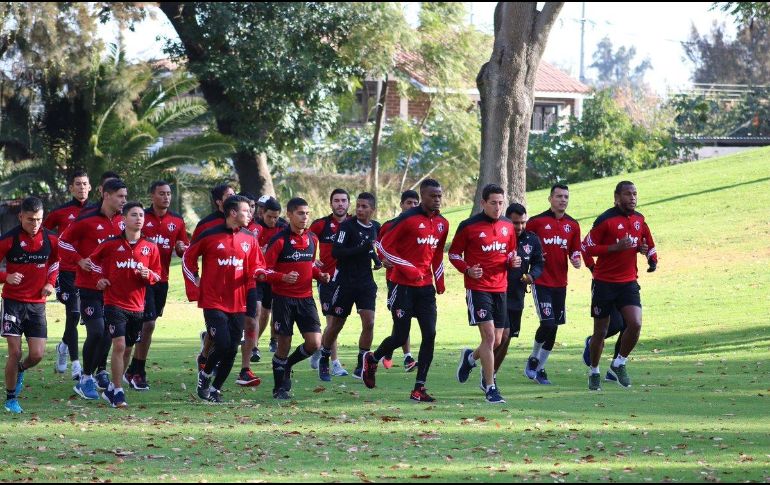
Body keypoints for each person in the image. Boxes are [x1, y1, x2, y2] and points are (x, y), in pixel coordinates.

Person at [363, 179, 449, 402]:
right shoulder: (407, 219)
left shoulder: (442, 223)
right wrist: (408, 268)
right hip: (402, 286)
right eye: (433, 195)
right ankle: (373, 358)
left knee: (430, 334)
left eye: (439, 195)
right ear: (423, 196)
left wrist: (439, 280)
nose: (437, 199)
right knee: (400, 335)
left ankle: (419, 388)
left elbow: (437, 254)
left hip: (425, 288)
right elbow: (383, 248)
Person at [183, 195, 265, 403]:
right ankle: (205, 374)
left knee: (232, 347)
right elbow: (188, 259)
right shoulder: (209, 235)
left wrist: (260, 272)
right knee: (222, 342)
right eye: (246, 210)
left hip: (238, 301)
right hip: (213, 301)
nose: (250, 214)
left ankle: (216, 389)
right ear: (233, 213)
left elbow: (257, 264)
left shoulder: (249, 238)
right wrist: (197, 283)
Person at [582, 181, 657, 391]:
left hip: (628, 282)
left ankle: (618, 362)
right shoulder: (605, 220)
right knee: (601, 332)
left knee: (635, 323)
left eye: (635, 193)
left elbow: (648, 242)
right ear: (616, 197)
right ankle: (594, 370)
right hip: (604, 283)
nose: (632, 197)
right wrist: (614, 247)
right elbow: (586, 247)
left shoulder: (639, 219)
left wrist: (651, 258)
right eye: (627, 194)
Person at [450, 184, 519, 404]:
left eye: (501, 203)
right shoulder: (469, 226)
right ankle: (490, 387)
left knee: (498, 340)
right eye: (493, 203)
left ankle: (470, 358)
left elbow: (510, 252)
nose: (498, 207)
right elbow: (453, 254)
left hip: (501, 287)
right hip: (478, 289)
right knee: (489, 338)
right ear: (483, 203)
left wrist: (513, 261)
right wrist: (468, 269)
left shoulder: (508, 226)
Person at [59, 179, 127, 399]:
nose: (124, 201)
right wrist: (79, 260)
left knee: (109, 333)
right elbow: (63, 242)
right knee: (97, 331)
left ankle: (100, 372)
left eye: (125, 197)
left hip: (113, 289)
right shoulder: (86, 218)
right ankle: (85, 378)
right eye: (120, 196)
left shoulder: (124, 222)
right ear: (106, 195)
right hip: (88, 286)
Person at [89, 202, 161, 407]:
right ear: (124, 219)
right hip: (113, 302)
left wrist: (150, 275)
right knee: (119, 345)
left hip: (137, 306)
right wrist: (99, 279)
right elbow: (93, 261)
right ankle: (119, 392)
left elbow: (158, 274)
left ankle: (112, 387)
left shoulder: (150, 247)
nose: (139, 218)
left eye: (141, 215)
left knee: (128, 349)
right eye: (134, 215)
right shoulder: (111, 244)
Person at [123, 181, 188, 391]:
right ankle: (138, 371)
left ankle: (132, 368)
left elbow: (182, 248)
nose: (166, 197)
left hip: (162, 280)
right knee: (147, 324)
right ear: (152, 196)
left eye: (169, 194)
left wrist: (180, 247)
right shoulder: (141, 217)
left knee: (149, 325)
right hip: (140, 280)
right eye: (161, 194)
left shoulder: (177, 221)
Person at [263, 198, 330, 400]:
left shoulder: (312, 239)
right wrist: (282, 277)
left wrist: (320, 275)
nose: (305, 217)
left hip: (306, 299)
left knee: (315, 343)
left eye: (307, 213)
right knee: (283, 344)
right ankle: (279, 389)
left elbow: (309, 265)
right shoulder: (280, 240)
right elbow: (263, 271)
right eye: (300, 213)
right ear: (289, 215)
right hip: (283, 299)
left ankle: (288, 365)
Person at [0, 197, 59, 413]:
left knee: (37, 355)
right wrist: (7, 276)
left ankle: (21, 370)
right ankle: (11, 399)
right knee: (14, 352)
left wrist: (51, 283)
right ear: (20, 217)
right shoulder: (8, 239)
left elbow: (56, 262)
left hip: (37, 305)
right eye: (30, 220)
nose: (35, 225)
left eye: (39, 220)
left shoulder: (51, 239)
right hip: (13, 303)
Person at [318, 193, 381, 381]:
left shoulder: (376, 227)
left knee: (369, 322)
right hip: (345, 281)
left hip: (366, 282)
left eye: (364, 207)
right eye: (358, 206)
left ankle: (362, 364)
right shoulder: (346, 226)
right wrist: (360, 249)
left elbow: (372, 248)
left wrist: (377, 260)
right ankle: (324, 357)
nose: (360, 210)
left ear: (372, 210)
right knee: (336, 324)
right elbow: (337, 252)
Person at [523, 184, 582, 385]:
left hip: (561, 282)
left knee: (554, 326)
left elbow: (575, 250)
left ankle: (539, 368)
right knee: (547, 322)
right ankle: (534, 356)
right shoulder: (536, 222)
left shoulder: (573, 225)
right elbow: (522, 243)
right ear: (550, 199)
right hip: (541, 281)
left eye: (566, 196)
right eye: (558, 196)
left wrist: (576, 259)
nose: (563, 200)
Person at [44, 170, 91, 378]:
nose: (81, 187)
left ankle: (63, 345)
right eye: (77, 184)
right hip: (67, 272)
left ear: (90, 187)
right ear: (71, 188)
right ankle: (75, 364)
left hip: (90, 272)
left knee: (82, 317)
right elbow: (42, 233)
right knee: (73, 313)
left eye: (85, 184)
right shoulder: (61, 212)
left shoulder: (96, 211)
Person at [492, 203, 544, 387]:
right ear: (507, 220)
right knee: (502, 335)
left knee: (508, 338)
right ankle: (485, 371)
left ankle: (490, 374)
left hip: (517, 294)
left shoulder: (532, 240)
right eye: (515, 223)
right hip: (498, 292)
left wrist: (532, 276)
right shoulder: (499, 237)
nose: (520, 227)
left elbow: (539, 262)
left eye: (523, 222)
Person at [308, 189, 351, 376]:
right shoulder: (321, 225)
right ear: (330, 203)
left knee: (338, 323)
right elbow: (304, 240)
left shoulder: (354, 224)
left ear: (349, 203)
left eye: (343, 200)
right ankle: (335, 363)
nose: (340, 204)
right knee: (332, 321)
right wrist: (311, 259)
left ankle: (320, 348)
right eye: (336, 201)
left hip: (349, 281)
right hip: (326, 279)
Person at [193, 184, 236, 371]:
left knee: (230, 332)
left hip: (236, 289)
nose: (233, 197)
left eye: (235, 194)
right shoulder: (205, 225)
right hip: (213, 289)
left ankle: (208, 356)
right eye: (228, 195)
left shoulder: (242, 221)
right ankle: (208, 359)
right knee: (219, 331)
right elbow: (191, 253)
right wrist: (195, 277)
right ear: (219, 201)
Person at [377, 190, 418, 372]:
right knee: (401, 318)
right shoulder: (389, 225)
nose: (412, 206)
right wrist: (382, 259)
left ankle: (391, 350)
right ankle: (406, 356)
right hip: (395, 280)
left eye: (415, 203)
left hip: (416, 282)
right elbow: (379, 245)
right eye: (409, 202)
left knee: (404, 319)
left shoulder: (421, 225)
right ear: (401, 204)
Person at [254, 197, 288, 357]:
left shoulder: (284, 227)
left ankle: (271, 339)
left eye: (276, 217)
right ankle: (254, 345)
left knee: (274, 309)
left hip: (275, 275)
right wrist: (261, 250)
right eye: (270, 217)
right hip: (258, 275)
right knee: (260, 310)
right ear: (262, 213)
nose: (273, 220)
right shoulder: (255, 227)